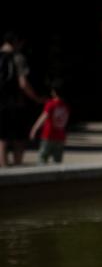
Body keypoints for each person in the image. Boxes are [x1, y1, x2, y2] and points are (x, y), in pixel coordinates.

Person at [1, 32, 46, 167]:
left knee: (2, 137)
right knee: (19, 138)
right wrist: (36, 98)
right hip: (16, 103)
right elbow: (23, 83)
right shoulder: (18, 57)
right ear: (16, 41)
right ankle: (17, 166)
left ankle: (3, 168)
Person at [29, 82, 70, 164]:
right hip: (60, 136)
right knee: (57, 161)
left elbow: (43, 117)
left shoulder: (50, 104)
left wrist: (34, 129)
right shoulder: (66, 106)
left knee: (42, 158)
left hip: (48, 135)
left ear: (54, 92)